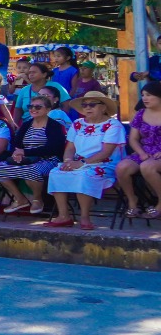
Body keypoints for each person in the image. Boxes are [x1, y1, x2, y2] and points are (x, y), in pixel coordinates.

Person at [46, 91, 126, 229]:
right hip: (79, 163)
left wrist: (81, 164)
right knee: (56, 172)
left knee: (85, 175)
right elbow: (70, 147)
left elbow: (106, 152)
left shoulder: (114, 125)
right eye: (85, 105)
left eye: (92, 104)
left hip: (105, 164)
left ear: (104, 107)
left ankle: (85, 217)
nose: (87, 108)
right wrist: (67, 161)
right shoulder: (77, 124)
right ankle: (63, 216)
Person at [0, 96, 67, 215]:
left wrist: (25, 152)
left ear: (48, 109)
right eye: (30, 106)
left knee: (32, 171)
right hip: (27, 158)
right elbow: (17, 143)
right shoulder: (26, 125)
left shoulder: (54, 126)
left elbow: (53, 148)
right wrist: (17, 153)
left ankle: (37, 199)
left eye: (38, 107)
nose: (33, 109)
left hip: (48, 159)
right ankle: (20, 199)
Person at [116, 80, 161, 217]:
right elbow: (133, 139)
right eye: (143, 95)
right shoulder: (140, 114)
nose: (145, 98)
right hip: (145, 152)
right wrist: (141, 153)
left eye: (149, 95)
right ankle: (132, 201)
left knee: (147, 167)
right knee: (122, 167)